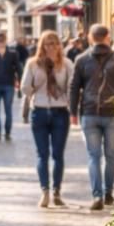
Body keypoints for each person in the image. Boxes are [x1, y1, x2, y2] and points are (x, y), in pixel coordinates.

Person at [69, 24, 114, 210]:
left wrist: (73, 112)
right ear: (107, 37)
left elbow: (74, 88)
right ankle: (108, 193)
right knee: (110, 155)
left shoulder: (81, 59)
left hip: (89, 113)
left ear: (90, 38)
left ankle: (97, 196)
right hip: (113, 113)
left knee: (93, 156)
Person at [22, 30, 73, 208]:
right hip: (40, 112)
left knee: (58, 155)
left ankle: (57, 192)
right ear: (41, 46)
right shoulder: (33, 64)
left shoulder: (66, 64)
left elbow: (72, 87)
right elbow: (24, 88)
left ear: (59, 45)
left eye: (54, 43)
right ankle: (45, 191)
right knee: (42, 154)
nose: (51, 47)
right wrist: (38, 82)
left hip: (60, 112)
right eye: (47, 43)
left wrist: (72, 105)